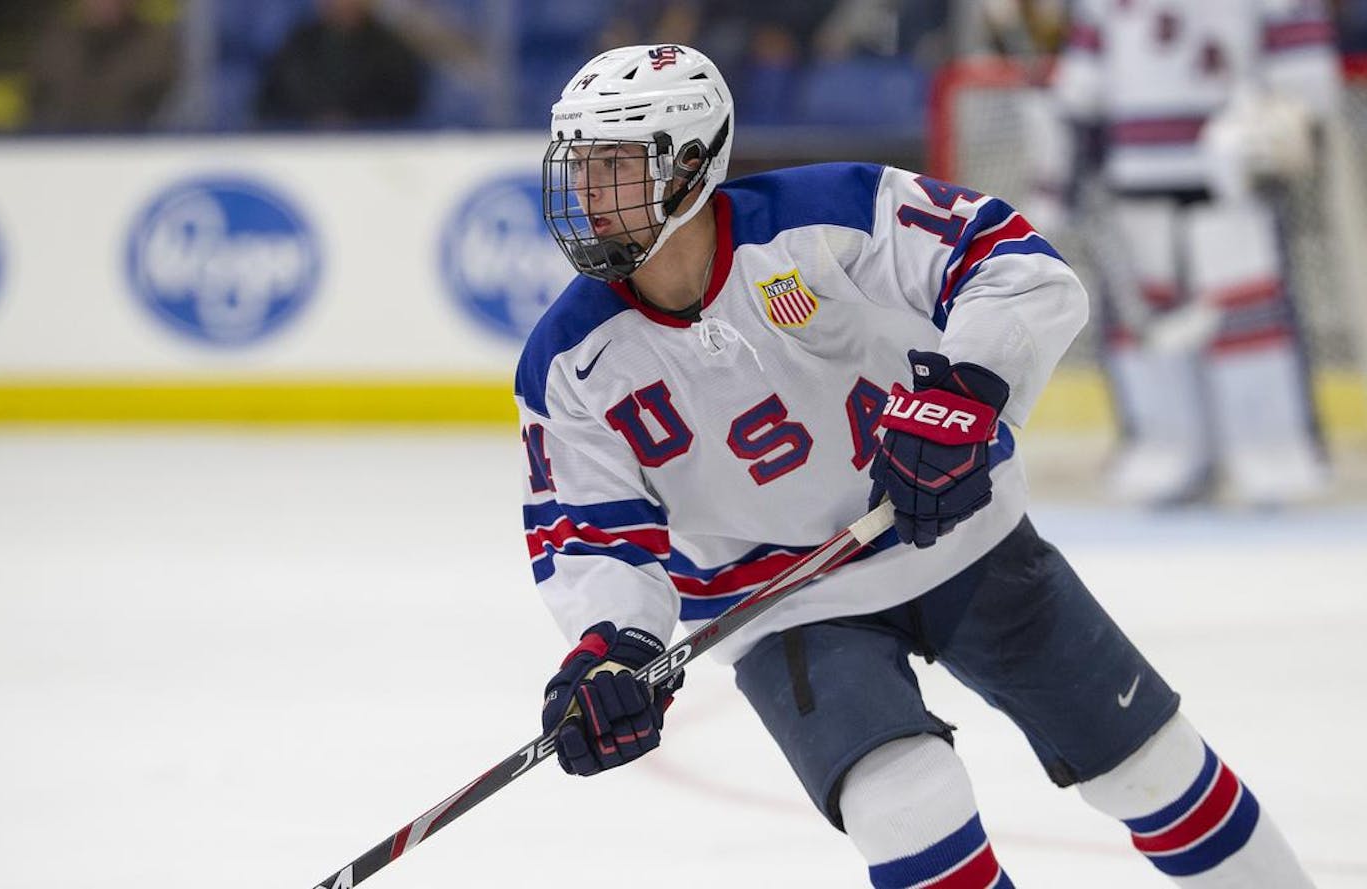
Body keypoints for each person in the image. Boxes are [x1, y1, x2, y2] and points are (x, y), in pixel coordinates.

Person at [517, 44, 1316, 887]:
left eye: (613, 165)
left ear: (689, 165)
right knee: (906, 805)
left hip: (956, 538)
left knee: (1153, 768)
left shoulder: (833, 213)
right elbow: (593, 534)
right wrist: (610, 652)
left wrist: (966, 393)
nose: (587, 196)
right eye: (579, 167)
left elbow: (1016, 266)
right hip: (785, 605)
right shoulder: (567, 362)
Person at [1035, 0, 1342, 506]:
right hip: (1134, 185)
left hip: (1234, 186)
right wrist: (1057, 176)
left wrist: (1277, 129)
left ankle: (1271, 456)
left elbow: (1305, 82)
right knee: (1144, 331)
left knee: (1251, 325)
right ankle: (1166, 453)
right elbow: (1081, 88)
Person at [254, 0, 423, 128]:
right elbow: (273, 99)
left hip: (372, 143)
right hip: (305, 141)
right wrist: (314, 117)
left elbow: (401, 101)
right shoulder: (299, 43)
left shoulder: (389, 47)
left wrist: (354, 119)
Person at [27, 0, 178, 132]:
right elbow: (36, 114)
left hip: (136, 157)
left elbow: (166, 120)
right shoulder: (55, 47)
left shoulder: (157, 48)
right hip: (56, 156)